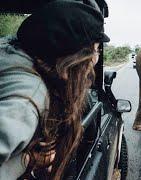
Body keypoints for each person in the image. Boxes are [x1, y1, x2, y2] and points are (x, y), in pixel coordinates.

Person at [0, 0, 110, 179]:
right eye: (95, 50)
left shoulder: (11, 50)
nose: (95, 59)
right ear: (73, 61)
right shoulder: (26, 103)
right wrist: (27, 161)